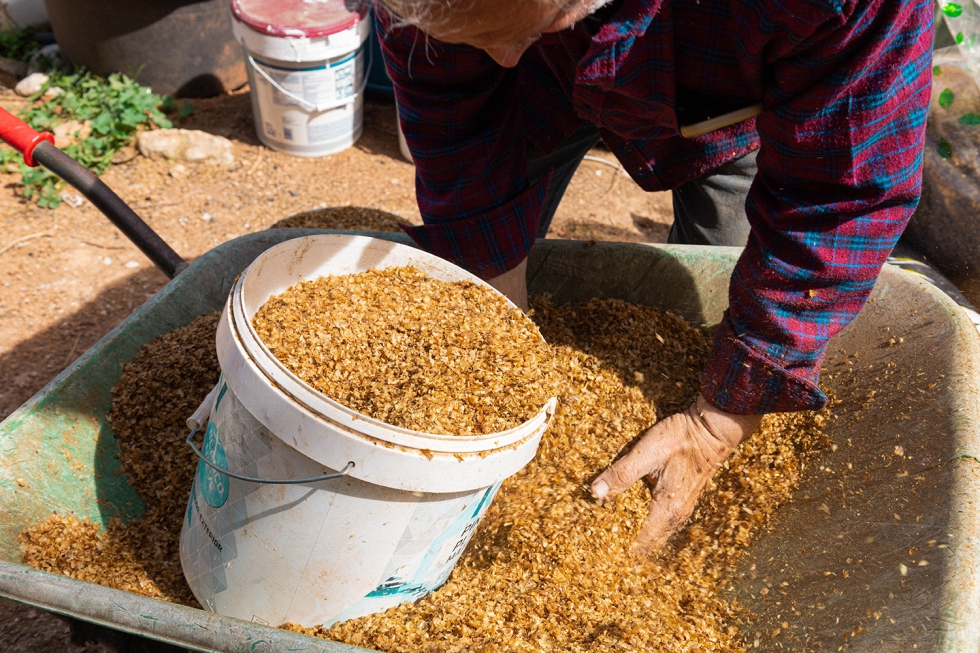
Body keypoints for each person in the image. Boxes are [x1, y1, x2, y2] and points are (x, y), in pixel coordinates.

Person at [374, 0, 933, 555]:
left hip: (731, 90)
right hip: (544, 83)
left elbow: (840, 197)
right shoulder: (460, 27)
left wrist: (720, 421)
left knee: (721, 311)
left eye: (524, 26)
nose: (500, 53)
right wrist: (502, 320)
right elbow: (452, 114)